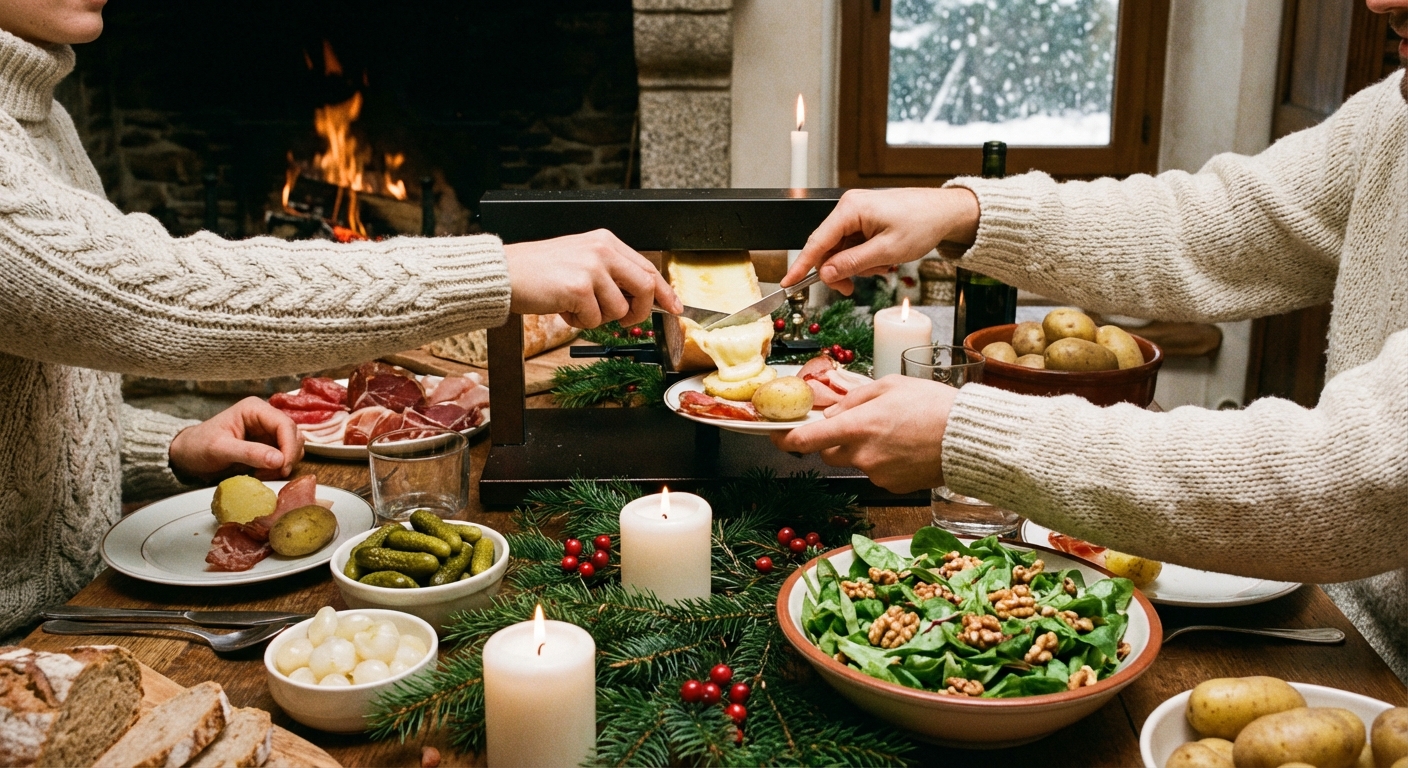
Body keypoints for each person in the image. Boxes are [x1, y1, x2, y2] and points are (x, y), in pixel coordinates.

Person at [0, 0, 680, 638]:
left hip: (80, 617)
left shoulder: (43, 118)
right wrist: (496, 272)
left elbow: (48, 356)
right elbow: (161, 293)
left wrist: (167, 446)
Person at [776, 3, 1408, 680]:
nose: (1380, 1)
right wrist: (965, 214)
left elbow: (1363, 475)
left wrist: (968, 437)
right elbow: (1210, 225)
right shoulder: (1394, 112)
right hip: (1346, 631)